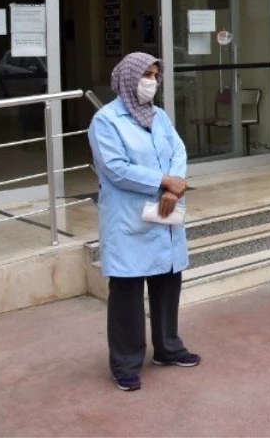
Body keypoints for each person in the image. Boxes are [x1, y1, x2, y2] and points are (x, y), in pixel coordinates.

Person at [89, 52, 200, 392]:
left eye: (155, 75)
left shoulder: (160, 116)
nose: (151, 81)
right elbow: (116, 169)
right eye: (145, 75)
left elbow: (178, 152)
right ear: (127, 78)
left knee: (168, 282)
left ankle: (168, 347)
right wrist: (162, 182)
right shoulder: (106, 121)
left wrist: (173, 185)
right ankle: (125, 362)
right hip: (129, 218)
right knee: (127, 292)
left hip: (166, 210)